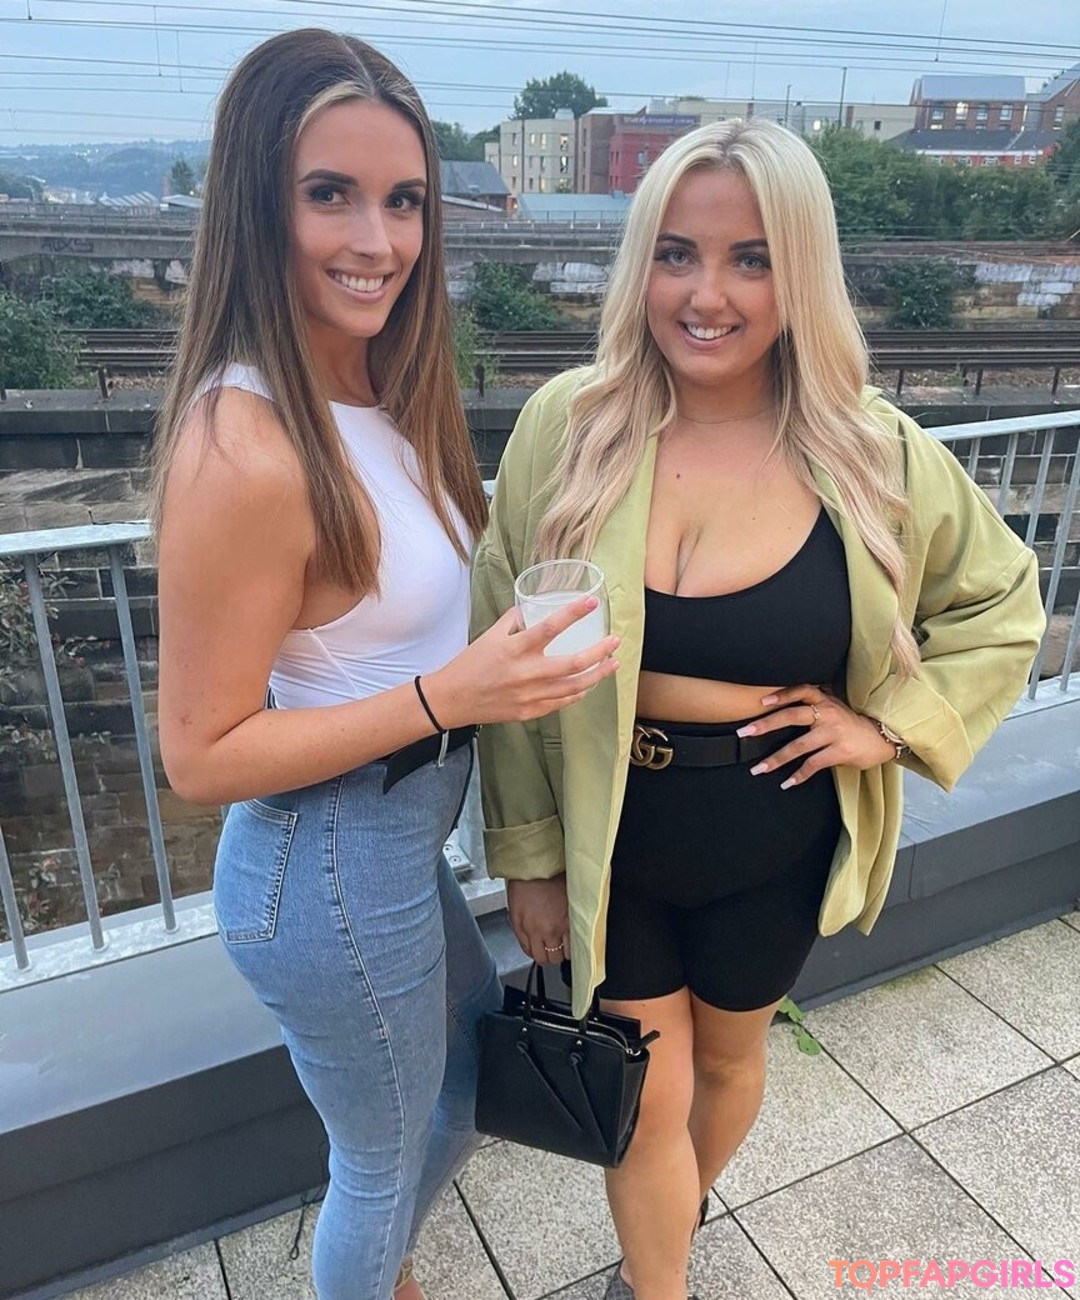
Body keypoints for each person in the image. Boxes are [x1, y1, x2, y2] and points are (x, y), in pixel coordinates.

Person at [471, 117, 1045, 1300]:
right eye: (677, 254)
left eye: (751, 260)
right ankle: (661, 1284)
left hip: (776, 828)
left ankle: (661, 1245)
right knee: (647, 1097)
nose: (708, 295)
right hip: (615, 833)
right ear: (641, 264)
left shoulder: (869, 449)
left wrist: (887, 727)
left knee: (730, 1064)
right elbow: (505, 650)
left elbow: (1004, 600)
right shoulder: (568, 429)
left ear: (802, 275)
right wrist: (528, 857)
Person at [150, 29, 618, 1300]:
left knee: (455, 1097)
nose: (378, 239)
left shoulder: (373, 385)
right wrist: (445, 697)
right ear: (256, 205)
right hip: (328, 863)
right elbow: (200, 754)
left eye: (404, 200)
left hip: (394, 846)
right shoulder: (243, 448)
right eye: (330, 194)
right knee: (384, 1154)